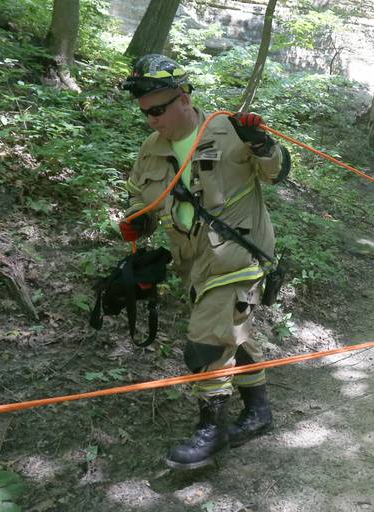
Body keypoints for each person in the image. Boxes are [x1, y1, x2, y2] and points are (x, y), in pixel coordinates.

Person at [119, 54, 285, 470]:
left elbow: (274, 173)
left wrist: (263, 143)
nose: (151, 119)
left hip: (239, 254)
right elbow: (143, 199)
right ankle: (259, 410)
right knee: (233, 332)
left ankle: (211, 428)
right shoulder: (150, 148)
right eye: (144, 113)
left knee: (206, 339)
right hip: (192, 262)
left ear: (184, 97)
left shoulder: (229, 131)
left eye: (157, 109)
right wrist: (138, 224)